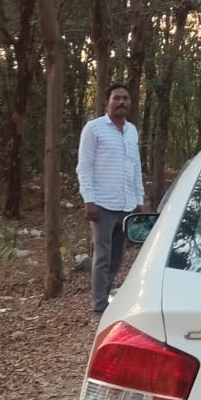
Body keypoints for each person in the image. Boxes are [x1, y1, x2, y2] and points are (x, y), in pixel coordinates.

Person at [77, 83, 145, 315]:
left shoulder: (132, 131)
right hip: (102, 205)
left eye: (125, 98)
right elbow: (84, 167)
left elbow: (135, 166)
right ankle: (98, 307)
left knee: (117, 256)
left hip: (126, 204)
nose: (121, 102)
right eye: (117, 98)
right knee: (102, 256)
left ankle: (106, 298)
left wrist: (139, 199)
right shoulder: (94, 129)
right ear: (108, 101)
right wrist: (89, 200)